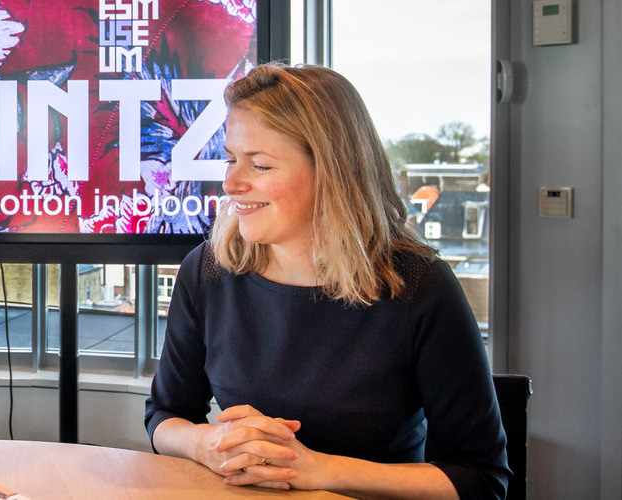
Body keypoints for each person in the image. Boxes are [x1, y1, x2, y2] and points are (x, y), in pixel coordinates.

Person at [145, 63, 510, 499]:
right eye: (230, 159)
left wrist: (320, 470)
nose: (231, 183)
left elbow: (482, 479)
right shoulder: (207, 270)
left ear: (333, 173)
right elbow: (164, 415)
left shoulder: (418, 285)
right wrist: (204, 444)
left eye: (259, 165)